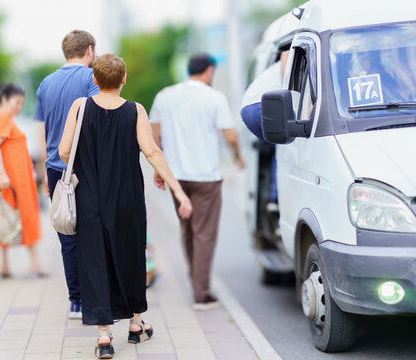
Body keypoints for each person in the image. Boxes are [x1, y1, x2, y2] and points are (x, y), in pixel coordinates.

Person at [58, 54, 193, 359]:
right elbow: (152, 151)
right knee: (130, 257)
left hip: (89, 198)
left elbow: (64, 150)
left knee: (95, 262)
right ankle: (135, 323)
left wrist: (85, 171)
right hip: (127, 199)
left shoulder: (80, 107)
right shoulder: (136, 110)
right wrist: (178, 191)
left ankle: (104, 337)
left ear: (94, 80)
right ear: (124, 79)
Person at [150, 53, 244, 310]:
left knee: (188, 229)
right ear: (209, 71)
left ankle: (196, 280)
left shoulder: (164, 96)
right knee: (205, 234)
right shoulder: (215, 98)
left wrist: (160, 168)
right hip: (206, 177)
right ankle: (201, 293)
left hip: (177, 178)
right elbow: (230, 135)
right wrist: (237, 156)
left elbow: (153, 136)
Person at [34, 30, 99, 319]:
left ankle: (77, 302)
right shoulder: (89, 78)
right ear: (90, 50)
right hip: (83, 165)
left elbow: (41, 128)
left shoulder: (45, 83)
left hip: (53, 167)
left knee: (66, 233)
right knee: (92, 231)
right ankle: (97, 295)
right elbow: (99, 116)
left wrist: (42, 168)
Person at [0, 83, 43, 278]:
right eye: (16, 103)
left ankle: (4, 265)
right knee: (24, 215)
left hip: (8, 179)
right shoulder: (2, 119)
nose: (19, 107)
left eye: (22, 104)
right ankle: (34, 263)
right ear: (5, 99)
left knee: (3, 217)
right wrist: (3, 175)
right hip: (11, 181)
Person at [241, 51, 289, 210]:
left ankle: (275, 201)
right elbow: (285, 54)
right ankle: (278, 200)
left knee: (282, 149)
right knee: (291, 146)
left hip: (248, 108)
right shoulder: (296, 52)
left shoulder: (270, 71)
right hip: (262, 105)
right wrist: (286, 88)